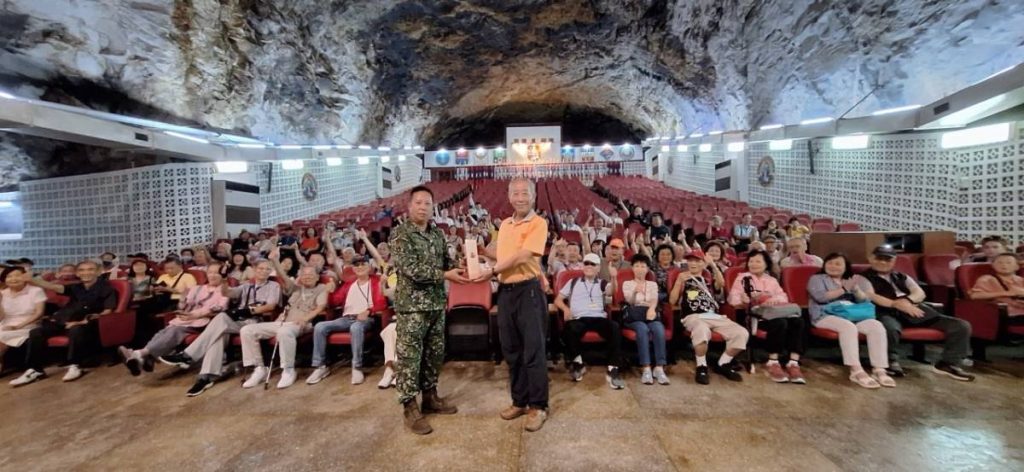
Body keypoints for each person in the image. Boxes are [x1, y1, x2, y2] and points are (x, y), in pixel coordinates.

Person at [391, 185, 467, 435]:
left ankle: (430, 397)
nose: (423, 207)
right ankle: (409, 407)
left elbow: (447, 261)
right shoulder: (401, 234)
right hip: (412, 308)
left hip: (435, 304)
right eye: (418, 203)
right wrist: (445, 275)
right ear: (409, 206)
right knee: (410, 359)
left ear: (433, 207)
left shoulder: (436, 233)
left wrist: (462, 266)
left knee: (434, 354)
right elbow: (411, 269)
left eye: (427, 203)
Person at [479, 178, 550, 432]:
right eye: (515, 193)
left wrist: (492, 270)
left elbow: (523, 256)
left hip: (528, 290)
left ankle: (538, 406)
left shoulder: (539, 223)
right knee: (511, 350)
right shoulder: (506, 225)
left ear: (533, 196)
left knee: (533, 350)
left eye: (525, 193)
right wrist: (481, 254)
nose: (520, 198)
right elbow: (504, 255)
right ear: (509, 197)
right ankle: (519, 401)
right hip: (506, 292)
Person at [159, 260, 281, 397]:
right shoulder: (246, 285)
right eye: (261, 268)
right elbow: (227, 293)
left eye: (267, 269)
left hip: (254, 321)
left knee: (222, 318)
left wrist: (248, 311)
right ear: (254, 269)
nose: (264, 271)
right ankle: (206, 377)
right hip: (237, 320)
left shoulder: (273, 285)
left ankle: (188, 356)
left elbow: (270, 306)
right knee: (218, 335)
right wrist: (224, 279)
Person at [861, 245, 974, 381]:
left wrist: (907, 301)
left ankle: (948, 363)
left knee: (961, 326)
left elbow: (919, 293)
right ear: (871, 258)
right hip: (885, 311)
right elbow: (871, 296)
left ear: (894, 260)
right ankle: (890, 361)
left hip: (914, 310)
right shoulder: (861, 278)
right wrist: (896, 304)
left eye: (888, 259)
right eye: (879, 258)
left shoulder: (902, 276)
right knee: (890, 328)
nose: (883, 262)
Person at [13, 261, 118, 385]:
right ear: (77, 273)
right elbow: (54, 287)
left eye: (90, 269)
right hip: (64, 319)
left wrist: (82, 321)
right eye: (82, 270)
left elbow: (107, 312)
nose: (86, 273)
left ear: (98, 272)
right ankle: (35, 370)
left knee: (76, 329)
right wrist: (33, 280)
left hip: (89, 323)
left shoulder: (107, 289)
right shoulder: (76, 287)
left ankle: (75, 365)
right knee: (36, 332)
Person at [118, 264, 229, 377]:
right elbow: (183, 306)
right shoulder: (197, 288)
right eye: (210, 272)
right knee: (164, 331)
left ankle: (139, 354)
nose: (212, 275)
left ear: (223, 275)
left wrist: (195, 315)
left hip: (206, 321)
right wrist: (182, 300)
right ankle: (144, 358)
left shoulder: (225, 291)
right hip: (186, 319)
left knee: (174, 331)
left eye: (216, 273)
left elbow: (220, 308)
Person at [807, 253, 895, 389]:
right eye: (830, 263)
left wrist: (856, 290)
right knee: (848, 327)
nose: (833, 266)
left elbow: (864, 300)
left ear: (845, 267)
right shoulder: (817, 279)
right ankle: (856, 370)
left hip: (853, 315)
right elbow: (820, 297)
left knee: (876, 326)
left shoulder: (853, 279)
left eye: (838, 264)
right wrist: (843, 289)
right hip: (824, 315)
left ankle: (879, 369)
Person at [238, 266, 327, 389]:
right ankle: (259, 368)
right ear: (300, 277)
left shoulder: (321, 288)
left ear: (317, 277)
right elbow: (284, 278)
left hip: (302, 324)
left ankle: (288, 370)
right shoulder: (296, 289)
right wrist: (275, 261)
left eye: (310, 274)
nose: (307, 277)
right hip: (283, 322)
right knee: (247, 330)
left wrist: (305, 318)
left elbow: (320, 307)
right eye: (304, 274)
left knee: (284, 332)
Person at [728, 250, 806, 384]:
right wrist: (744, 299)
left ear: (766, 264)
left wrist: (772, 299)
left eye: (758, 261)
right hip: (756, 316)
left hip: (774, 311)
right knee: (780, 323)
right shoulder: (743, 278)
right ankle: (773, 361)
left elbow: (783, 296)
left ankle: (793, 362)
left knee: (798, 321)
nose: (753, 264)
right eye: (751, 261)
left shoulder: (772, 280)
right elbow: (733, 299)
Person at [670, 249, 747, 385]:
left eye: (697, 261)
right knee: (701, 329)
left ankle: (723, 363)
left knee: (741, 333)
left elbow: (721, 284)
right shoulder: (683, 278)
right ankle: (701, 366)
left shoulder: (708, 281)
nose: (693, 263)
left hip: (714, 316)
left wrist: (712, 265)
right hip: (694, 316)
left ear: (702, 263)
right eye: (690, 260)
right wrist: (678, 282)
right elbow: (672, 301)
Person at [307, 255, 387, 386]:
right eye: (356, 265)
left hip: (366, 318)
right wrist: (330, 292)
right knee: (320, 326)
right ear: (353, 269)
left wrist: (369, 311)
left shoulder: (376, 281)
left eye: (363, 264)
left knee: (356, 327)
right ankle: (320, 366)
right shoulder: (348, 284)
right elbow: (334, 303)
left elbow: (382, 303)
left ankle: (357, 367)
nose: (360, 267)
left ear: (369, 267)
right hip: (346, 318)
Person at [554, 253, 623, 387]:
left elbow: (612, 291)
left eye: (593, 264)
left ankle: (613, 367)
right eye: (586, 263)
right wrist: (566, 309)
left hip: (598, 317)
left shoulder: (602, 283)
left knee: (614, 327)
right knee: (570, 328)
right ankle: (578, 362)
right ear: (583, 266)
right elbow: (558, 300)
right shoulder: (573, 282)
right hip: (579, 318)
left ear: (598, 268)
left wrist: (614, 277)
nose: (589, 266)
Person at [622, 254, 669, 385]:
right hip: (634, 315)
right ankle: (646, 368)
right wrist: (635, 292)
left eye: (643, 266)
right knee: (642, 329)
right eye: (637, 266)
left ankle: (659, 368)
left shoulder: (652, 284)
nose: (640, 269)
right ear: (632, 268)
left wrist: (652, 309)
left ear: (648, 269)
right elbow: (629, 301)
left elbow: (654, 299)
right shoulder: (627, 283)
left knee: (658, 328)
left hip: (650, 313)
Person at [0, 267, 46, 374]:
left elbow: (39, 313)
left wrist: (19, 326)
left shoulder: (36, 291)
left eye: (17, 275)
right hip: (6, 324)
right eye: (9, 276)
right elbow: (1, 317)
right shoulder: (2, 293)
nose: (13, 279)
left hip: (29, 324)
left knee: (2, 336)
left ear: (25, 277)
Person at [969, 252, 1024, 318]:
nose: (1004, 265)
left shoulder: (1021, 280)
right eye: (999, 262)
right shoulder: (987, 279)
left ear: (1017, 266)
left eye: (1009, 263)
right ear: (993, 265)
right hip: (1003, 313)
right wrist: (1009, 293)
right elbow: (975, 296)